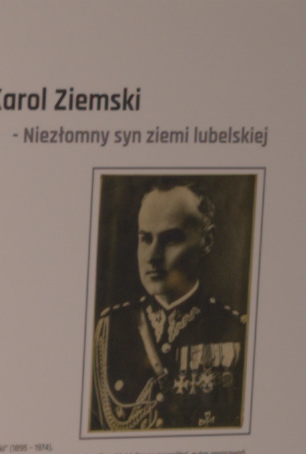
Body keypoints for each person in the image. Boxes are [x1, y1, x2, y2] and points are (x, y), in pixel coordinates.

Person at [85, 183, 249, 431]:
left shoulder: (235, 331)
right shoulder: (109, 332)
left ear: (206, 241)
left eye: (171, 240)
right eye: (145, 238)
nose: (153, 256)